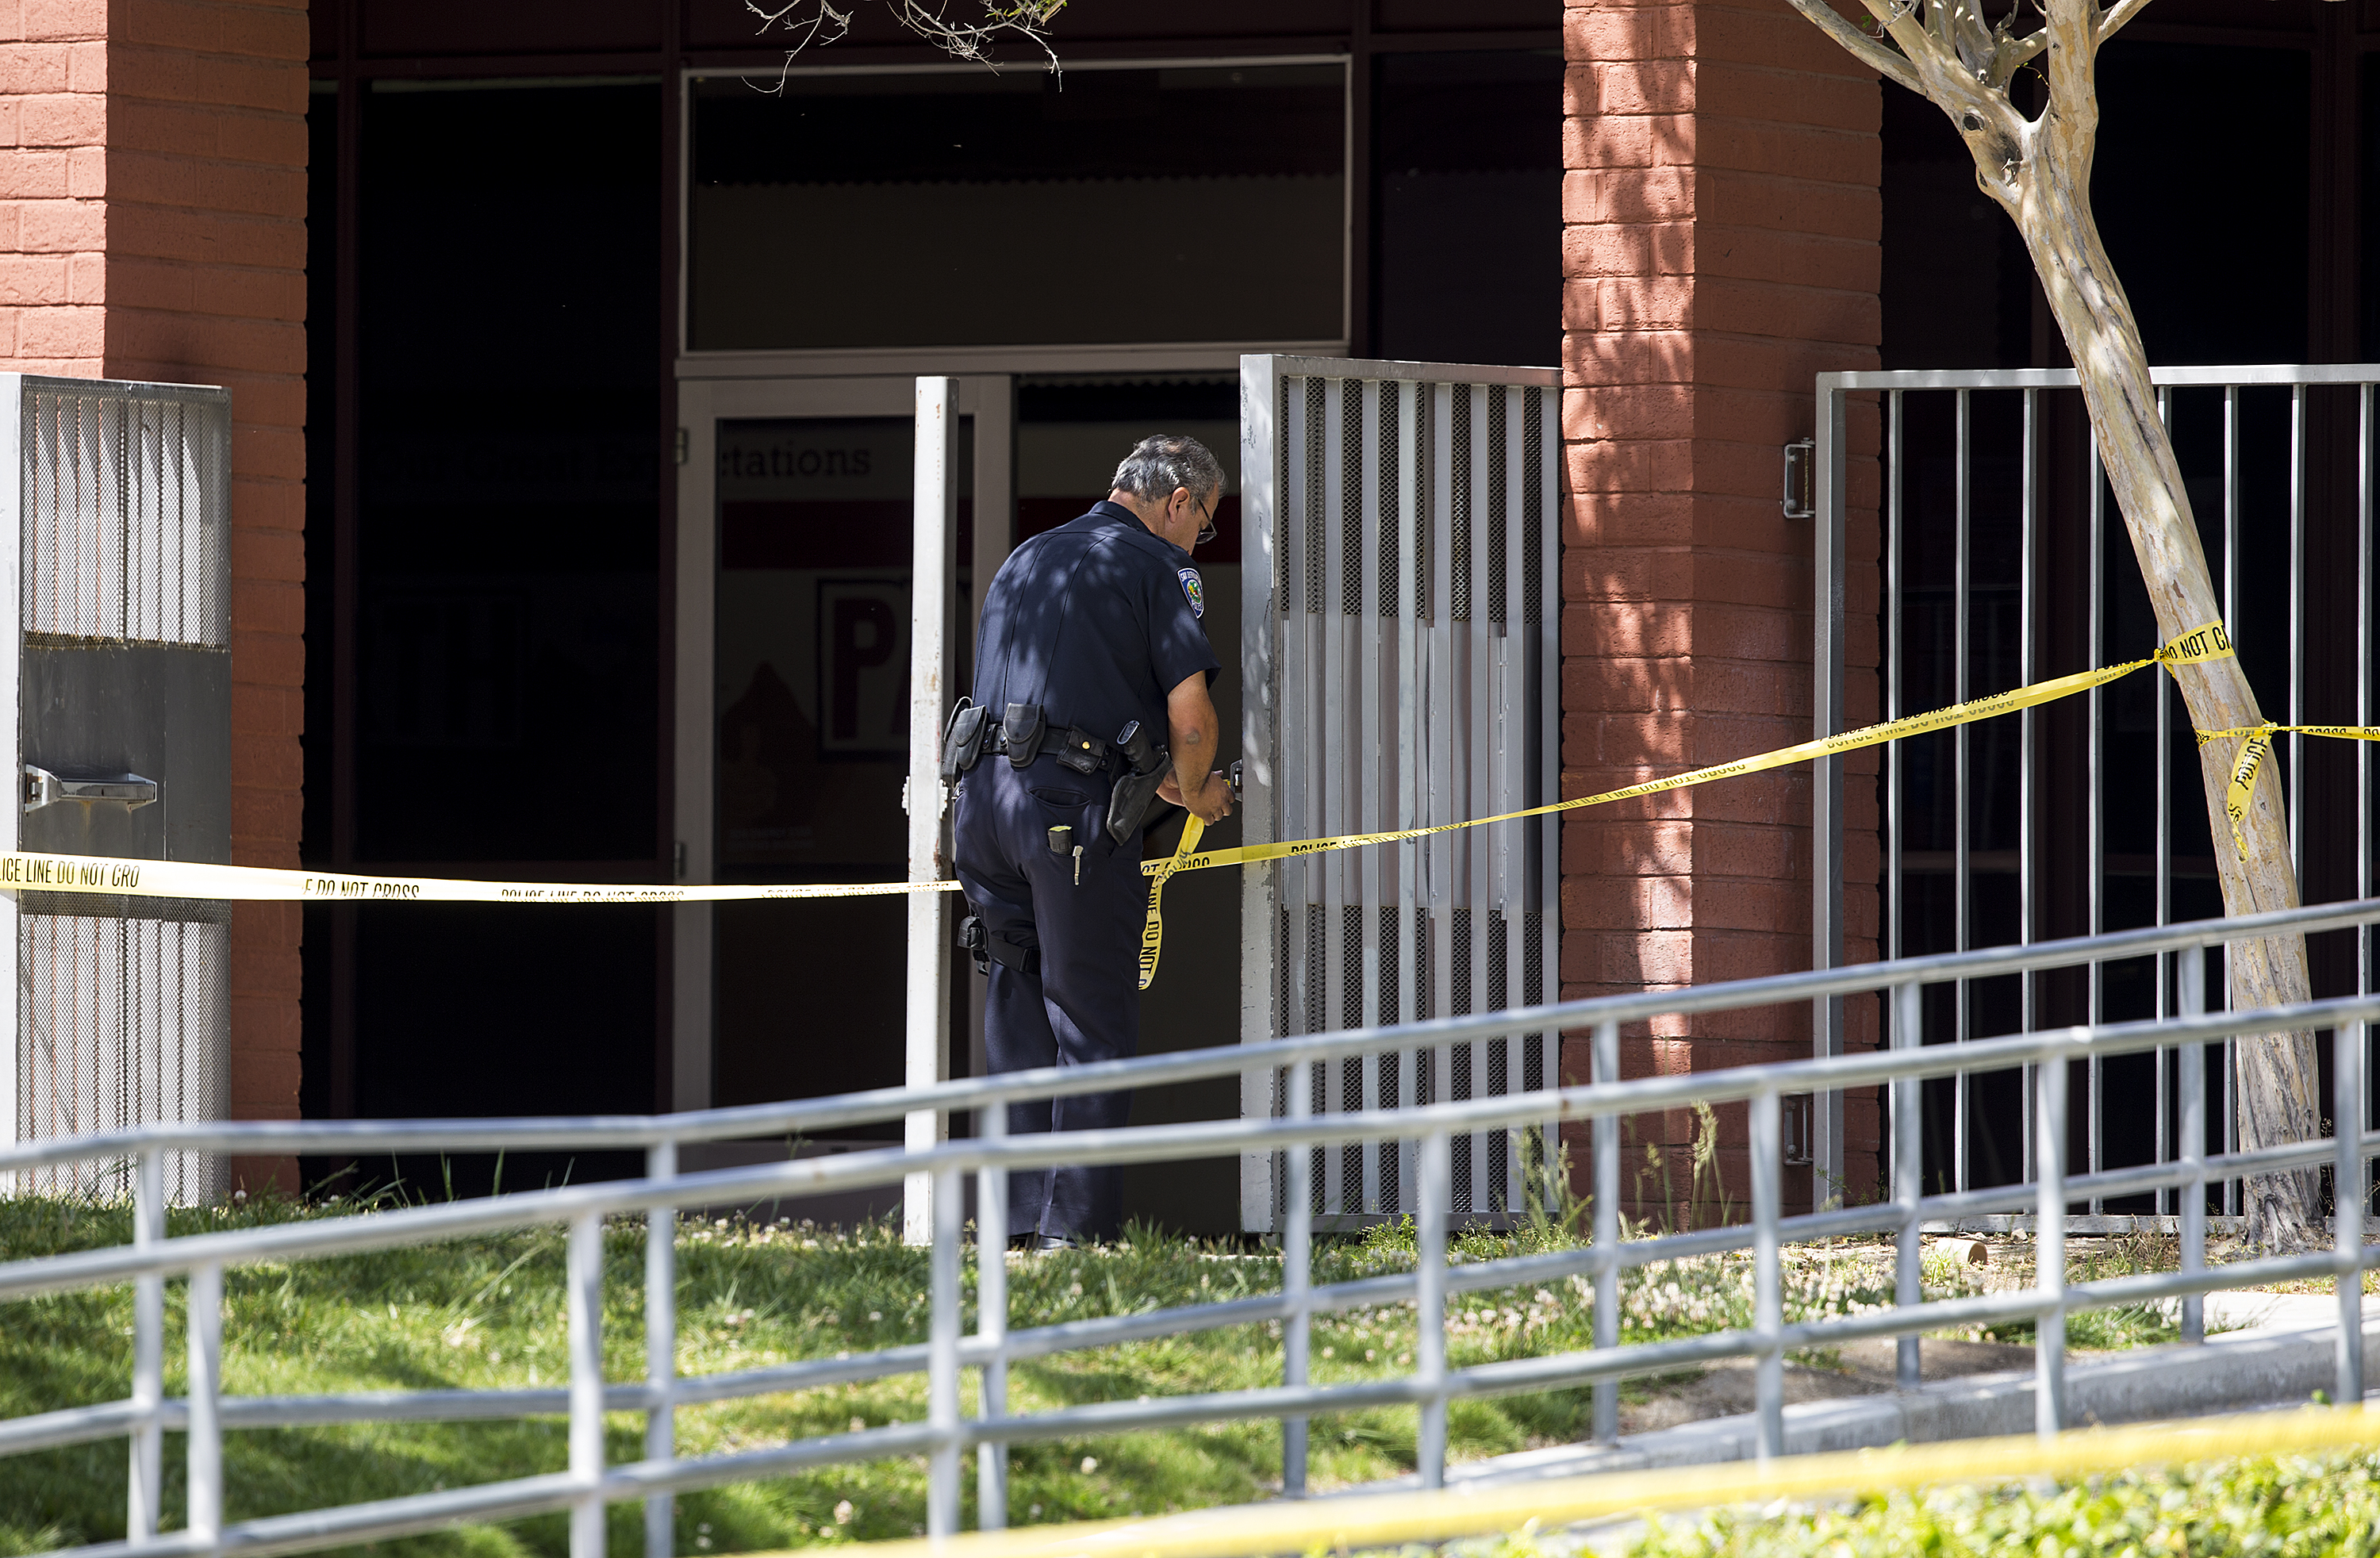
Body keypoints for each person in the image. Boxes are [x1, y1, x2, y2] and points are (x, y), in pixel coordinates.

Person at [947, 434, 1235, 1250]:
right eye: (1205, 523)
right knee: (1091, 1020)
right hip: (1067, 823)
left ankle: (1013, 1230)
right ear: (1178, 501)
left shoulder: (1026, 558)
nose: (1200, 539)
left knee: (1017, 1014)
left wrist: (1157, 777)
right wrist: (1199, 790)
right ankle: (1074, 1239)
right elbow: (1191, 720)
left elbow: (1057, 699)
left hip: (983, 809)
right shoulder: (1158, 567)